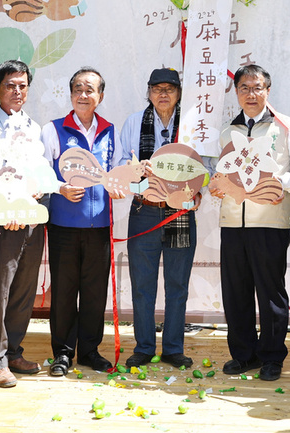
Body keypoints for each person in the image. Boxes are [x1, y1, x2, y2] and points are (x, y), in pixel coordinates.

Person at [209, 64, 290, 381]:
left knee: (270, 293)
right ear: (235, 92)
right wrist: (214, 183)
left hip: (270, 222)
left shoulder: (286, 126)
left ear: (268, 90)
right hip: (232, 222)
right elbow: (218, 173)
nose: (251, 94)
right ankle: (244, 354)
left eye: (257, 87)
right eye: (244, 88)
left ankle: (272, 357)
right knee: (235, 292)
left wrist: (281, 183)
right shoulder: (227, 131)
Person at [41, 67, 123, 376]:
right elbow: (42, 171)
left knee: (94, 292)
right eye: (78, 88)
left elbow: (115, 173)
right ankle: (62, 353)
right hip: (63, 225)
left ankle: (89, 350)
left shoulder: (110, 131)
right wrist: (59, 187)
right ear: (70, 94)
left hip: (99, 226)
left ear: (100, 96)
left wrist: (119, 186)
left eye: (90, 89)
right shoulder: (54, 129)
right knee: (64, 291)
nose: (83, 95)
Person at [118, 68, 200, 369]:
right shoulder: (134, 122)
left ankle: (173, 348)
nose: (163, 94)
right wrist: (139, 174)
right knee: (142, 284)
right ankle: (143, 347)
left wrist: (196, 193)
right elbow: (121, 168)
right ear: (148, 92)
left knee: (177, 284)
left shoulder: (191, 124)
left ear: (179, 92)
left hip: (179, 212)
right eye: (156, 88)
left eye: (169, 88)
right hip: (144, 211)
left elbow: (203, 167)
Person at [0, 60, 44, 388]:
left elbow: (41, 172)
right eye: (10, 85)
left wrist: (36, 193)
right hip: (4, 220)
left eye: (22, 86)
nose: (17, 91)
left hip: (32, 216)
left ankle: (14, 350)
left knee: (23, 288)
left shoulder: (34, 128)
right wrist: (10, 207)